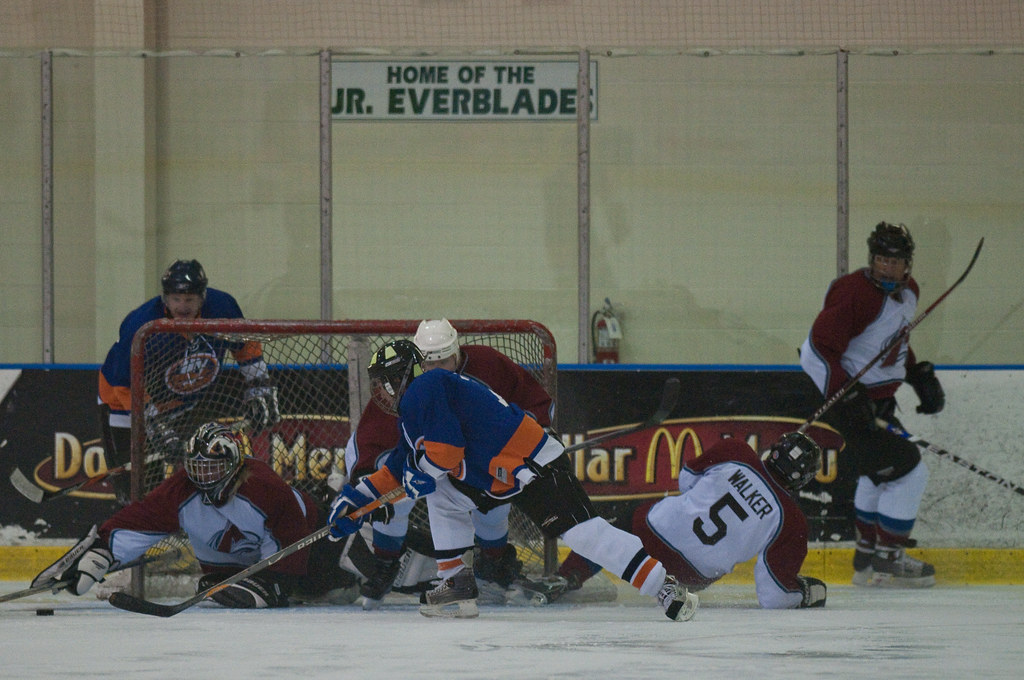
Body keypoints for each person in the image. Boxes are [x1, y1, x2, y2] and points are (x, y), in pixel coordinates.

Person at [327, 340, 699, 621]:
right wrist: (354, 501)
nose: (383, 391)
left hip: (530, 465)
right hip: (493, 477)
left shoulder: (428, 386)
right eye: (379, 384)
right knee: (444, 495)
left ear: (407, 372)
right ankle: (456, 584)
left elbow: (446, 454)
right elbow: (397, 466)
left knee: (583, 534)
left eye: (388, 381)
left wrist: (418, 473)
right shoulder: (414, 408)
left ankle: (664, 586)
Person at [344, 318, 555, 609]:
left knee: (494, 507)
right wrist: (371, 477)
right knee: (396, 500)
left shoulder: (488, 364)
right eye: (428, 365)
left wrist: (537, 431)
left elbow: (535, 402)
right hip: (425, 462)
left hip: (479, 462)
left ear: (456, 352)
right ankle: (385, 565)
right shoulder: (402, 381)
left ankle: (494, 565)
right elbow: (371, 435)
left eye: (443, 361)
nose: (435, 371)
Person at [31, 422, 358, 608]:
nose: (203, 477)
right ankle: (258, 583)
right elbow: (141, 520)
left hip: (312, 547)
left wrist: (278, 583)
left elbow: (293, 528)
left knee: (341, 585)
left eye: (213, 467)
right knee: (214, 583)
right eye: (198, 467)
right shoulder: (182, 490)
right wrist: (102, 553)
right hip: (237, 564)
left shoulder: (265, 487)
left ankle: (338, 502)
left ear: (234, 464)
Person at [800, 222, 944, 588]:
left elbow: (890, 341)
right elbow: (817, 350)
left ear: (907, 264)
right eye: (881, 260)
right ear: (872, 260)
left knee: (877, 474)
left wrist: (915, 374)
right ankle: (889, 560)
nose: (886, 268)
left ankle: (866, 557)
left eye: (894, 262)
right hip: (846, 406)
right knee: (910, 468)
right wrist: (845, 395)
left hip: (878, 403)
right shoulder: (852, 293)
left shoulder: (910, 292)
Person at [555, 433, 828, 609]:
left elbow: (686, 480)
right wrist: (805, 593)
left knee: (615, 527)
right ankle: (664, 587)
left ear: (775, 449)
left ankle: (566, 577)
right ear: (803, 479)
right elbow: (775, 595)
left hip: (652, 532)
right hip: (690, 577)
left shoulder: (738, 451)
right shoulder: (791, 521)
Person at [98, 259, 280, 503]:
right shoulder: (140, 324)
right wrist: (153, 422)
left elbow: (245, 344)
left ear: (202, 297)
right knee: (133, 490)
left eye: (189, 299)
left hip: (188, 403)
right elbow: (124, 384)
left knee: (200, 477)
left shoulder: (222, 306)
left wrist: (258, 388)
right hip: (123, 404)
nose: (182, 307)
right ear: (165, 298)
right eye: (176, 299)